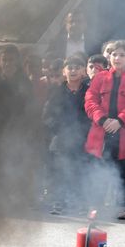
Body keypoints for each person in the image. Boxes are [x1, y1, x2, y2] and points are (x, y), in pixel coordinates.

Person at [84, 41, 125, 219]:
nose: (117, 58)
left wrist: (120, 120)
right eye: (113, 54)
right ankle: (96, 205)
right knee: (99, 168)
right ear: (109, 57)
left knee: (124, 170)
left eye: (121, 55)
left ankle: (124, 205)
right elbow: (90, 100)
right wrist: (102, 119)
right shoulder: (99, 78)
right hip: (101, 132)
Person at [42, 56, 91, 215]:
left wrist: (82, 131)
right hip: (61, 139)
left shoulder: (89, 91)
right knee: (60, 171)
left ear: (84, 71)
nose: (73, 70)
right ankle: (59, 201)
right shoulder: (56, 92)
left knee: (80, 171)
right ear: (63, 72)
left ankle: (80, 203)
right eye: (69, 67)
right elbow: (47, 116)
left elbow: (92, 114)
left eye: (77, 67)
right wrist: (60, 129)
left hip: (83, 139)